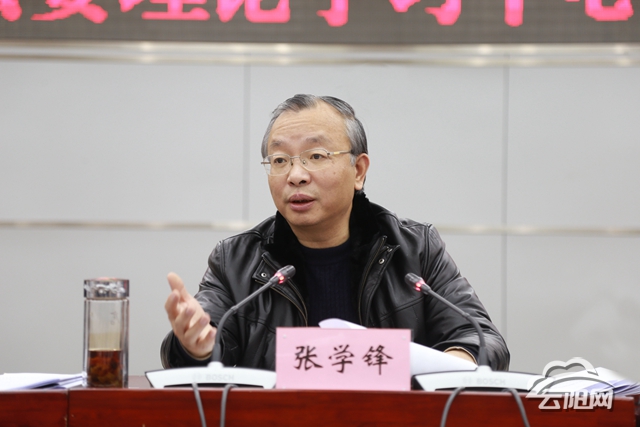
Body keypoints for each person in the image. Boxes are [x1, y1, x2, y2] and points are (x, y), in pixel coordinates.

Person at [161, 94, 510, 371]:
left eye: (315, 156)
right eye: (280, 160)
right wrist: (197, 345)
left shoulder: (415, 249)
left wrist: (455, 366)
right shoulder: (235, 260)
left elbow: (483, 340)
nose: (295, 175)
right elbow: (204, 341)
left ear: (358, 171)